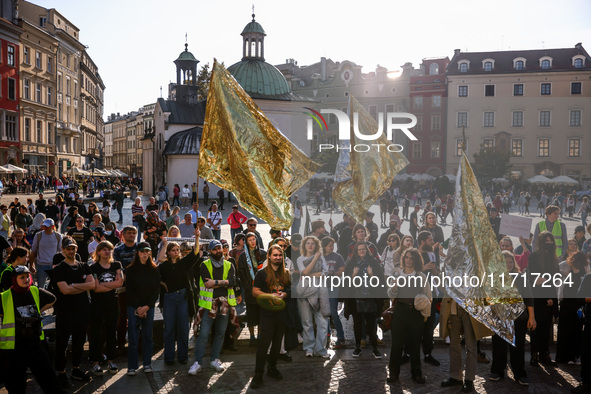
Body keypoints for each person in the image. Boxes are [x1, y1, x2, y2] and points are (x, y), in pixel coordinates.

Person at [0, 265, 65, 394]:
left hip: (35, 343)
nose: (25, 280)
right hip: (14, 346)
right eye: (21, 277)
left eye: (27, 277)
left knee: (49, 378)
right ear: (15, 279)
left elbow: (52, 299)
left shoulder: (35, 291)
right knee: (16, 384)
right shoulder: (4, 296)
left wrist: (38, 312)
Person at [189, 239, 237, 375]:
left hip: (225, 305)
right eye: (215, 249)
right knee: (203, 334)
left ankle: (214, 359)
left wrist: (216, 282)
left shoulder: (229, 264)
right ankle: (197, 362)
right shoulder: (205, 265)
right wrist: (224, 283)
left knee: (220, 333)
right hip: (209, 305)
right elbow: (207, 284)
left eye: (219, 248)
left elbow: (232, 282)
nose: (218, 251)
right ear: (210, 251)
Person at [489, 251, 536, 386]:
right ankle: (497, 371)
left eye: (510, 262)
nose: (508, 264)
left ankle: (519, 373)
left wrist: (532, 317)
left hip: (519, 318)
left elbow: (529, 298)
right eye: (505, 262)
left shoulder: (521, 277)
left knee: (518, 346)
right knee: (498, 346)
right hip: (500, 317)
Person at [53, 236, 95, 387]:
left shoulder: (84, 266)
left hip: (82, 310)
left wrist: (73, 286)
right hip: (65, 311)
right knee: (62, 343)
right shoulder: (59, 269)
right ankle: (61, 372)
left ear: (77, 248)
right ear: (63, 250)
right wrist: (82, 286)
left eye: (73, 248)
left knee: (79, 341)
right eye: (68, 248)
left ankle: (76, 369)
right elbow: (65, 290)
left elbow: (92, 284)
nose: (71, 251)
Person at [387, 248, 431, 384]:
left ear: (416, 260)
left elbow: (429, 296)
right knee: (396, 345)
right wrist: (394, 288)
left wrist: (424, 314)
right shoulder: (397, 274)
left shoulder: (421, 276)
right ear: (403, 258)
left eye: (411, 258)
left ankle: (416, 373)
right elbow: (390, 294)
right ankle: (393, 374)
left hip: (415, 313)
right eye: (406, 257)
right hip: (400, 312)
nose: (408, 260)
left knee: (415, 345)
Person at [250, 244, 291, 388]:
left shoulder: (286, 272)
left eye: (280, 255)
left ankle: (272, 368)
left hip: (282, 315)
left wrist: (285, 293)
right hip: (267, 314)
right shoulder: (262, 273)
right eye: (275, 255)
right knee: (263, 345)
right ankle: (258, 374)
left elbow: (289, 289)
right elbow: (255, 291)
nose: (278, 258)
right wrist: (270, 295)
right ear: (269, 256)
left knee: (277, 345)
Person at [158, 227, 201, 365]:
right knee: (169, 328)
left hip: (183, 297)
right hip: (169, 298)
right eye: (173, 250)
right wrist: (165, 244)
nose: (176, 252)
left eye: (177, 250)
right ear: (169, 253)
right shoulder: (165, 265)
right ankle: (169, 357)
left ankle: (183, 356)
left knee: (183, 327)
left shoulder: (183, 263)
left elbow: (195, 253)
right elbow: (159, 259)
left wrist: (197, 237)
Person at [440, 295, 492, 393]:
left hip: (470, 310)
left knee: (471, 347)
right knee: (453, 346)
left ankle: (469, 379)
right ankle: (455, 376)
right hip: (453, 308)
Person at [344, 241, 384, 359]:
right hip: (356, 299)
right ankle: (357, 347)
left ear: (367, 250)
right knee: (357, 325)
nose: (362, 251)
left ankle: (375, 348)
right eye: (359, 249)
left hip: (370, 298)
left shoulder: (373, 262)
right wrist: (354, 275)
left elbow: (379, 281)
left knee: (372, 325)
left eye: (363, 249)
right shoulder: (351, 263)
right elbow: (346, 282)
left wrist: (371, 274)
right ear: (356, 251)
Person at [125, 242, 161, 376]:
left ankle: (147, 363)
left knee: (147, 336)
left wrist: (146, 307)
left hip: (148, 306)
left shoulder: (154, 269)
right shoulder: (130, 269)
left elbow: (156, 290)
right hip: (134, 306)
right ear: (137, 253)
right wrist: (138, 307)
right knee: (133, 338)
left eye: (147, 251)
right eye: (142, 251)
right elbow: (129, 290)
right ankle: (132, 366)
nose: (145, 254)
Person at [89, 241, 123, 376]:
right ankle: (95, 362)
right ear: (98, 252)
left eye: (109, 249)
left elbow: (120, 282)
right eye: (103, 249)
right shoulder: (94, 267)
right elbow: (95, 288)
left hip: (113, 303)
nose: (106, 251)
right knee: (96, 333)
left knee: (111, 332)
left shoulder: (116, 265)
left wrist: (103, 284)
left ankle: (111, 360)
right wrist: (112, 285)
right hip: (97, 304)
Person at [527, 231, 559, 366]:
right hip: (537, 296)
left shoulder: (553, 258)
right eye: (546, 241)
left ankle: (544, 354)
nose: (549, 244)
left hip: (549, 297)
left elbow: (555, 278)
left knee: (546, 329)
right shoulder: (534, 256)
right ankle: (534, 355)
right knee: (535, 328)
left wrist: (552, 297)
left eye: (550, 241)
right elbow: (532, 277)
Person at [296, 235, 330, 358]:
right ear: (304, 245)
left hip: (320, 292)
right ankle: (309, 348)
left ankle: (320, 349)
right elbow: (304, 272)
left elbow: (324, 274)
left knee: (322, 323)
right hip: (305, 293)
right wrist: (315, 259)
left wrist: (310, 273)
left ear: (316, 245)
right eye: (308, 243)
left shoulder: (322, 258)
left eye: (313, 243)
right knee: (307, 322)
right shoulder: (300, 259)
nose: (310, 245)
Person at [556, 252, 588, 365]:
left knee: (577, 330)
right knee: (565, 330)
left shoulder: (585, 273)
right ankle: (565, 356)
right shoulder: (567, 271)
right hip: (566, 305)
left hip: (579, 306)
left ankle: (576, 355)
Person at [237, 232, 267, 346]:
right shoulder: (243, 256)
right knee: (251, 314)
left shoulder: (263, 253)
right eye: (249, 240)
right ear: (246, 242)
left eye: (254, 239)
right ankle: (252, 336)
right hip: (250, 290)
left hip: (262, 290)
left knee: (261, 314)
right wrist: (248, 286)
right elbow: (241, 273)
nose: (252, 242)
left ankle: (259, 335)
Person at [322, 237, 346, 349]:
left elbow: (342, 270)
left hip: (333, 286)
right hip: (321, 287)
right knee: (323, 312)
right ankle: (326, 335)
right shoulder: (320, 257)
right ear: (324, 246)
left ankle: (341, 337)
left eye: (333, 245)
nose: (332, 247)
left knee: (333, 312)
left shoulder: (337, 256)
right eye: (330, 245)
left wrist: (333, 273)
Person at [29, 219, 62, 288]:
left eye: (47, 226)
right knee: (41, 287)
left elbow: (61, 251)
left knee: (54, 286)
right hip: (41, 265)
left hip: (54, 265)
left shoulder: (58, 236)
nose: (45, 228)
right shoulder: (38, 235)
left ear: (52, 226)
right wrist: (31, 265)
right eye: (44, 226)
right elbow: (33, 251)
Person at [573, 271, 591, 393]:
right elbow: (579, 297)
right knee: (587, 352)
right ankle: (586, 383)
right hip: (590, 322)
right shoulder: (588, 278)